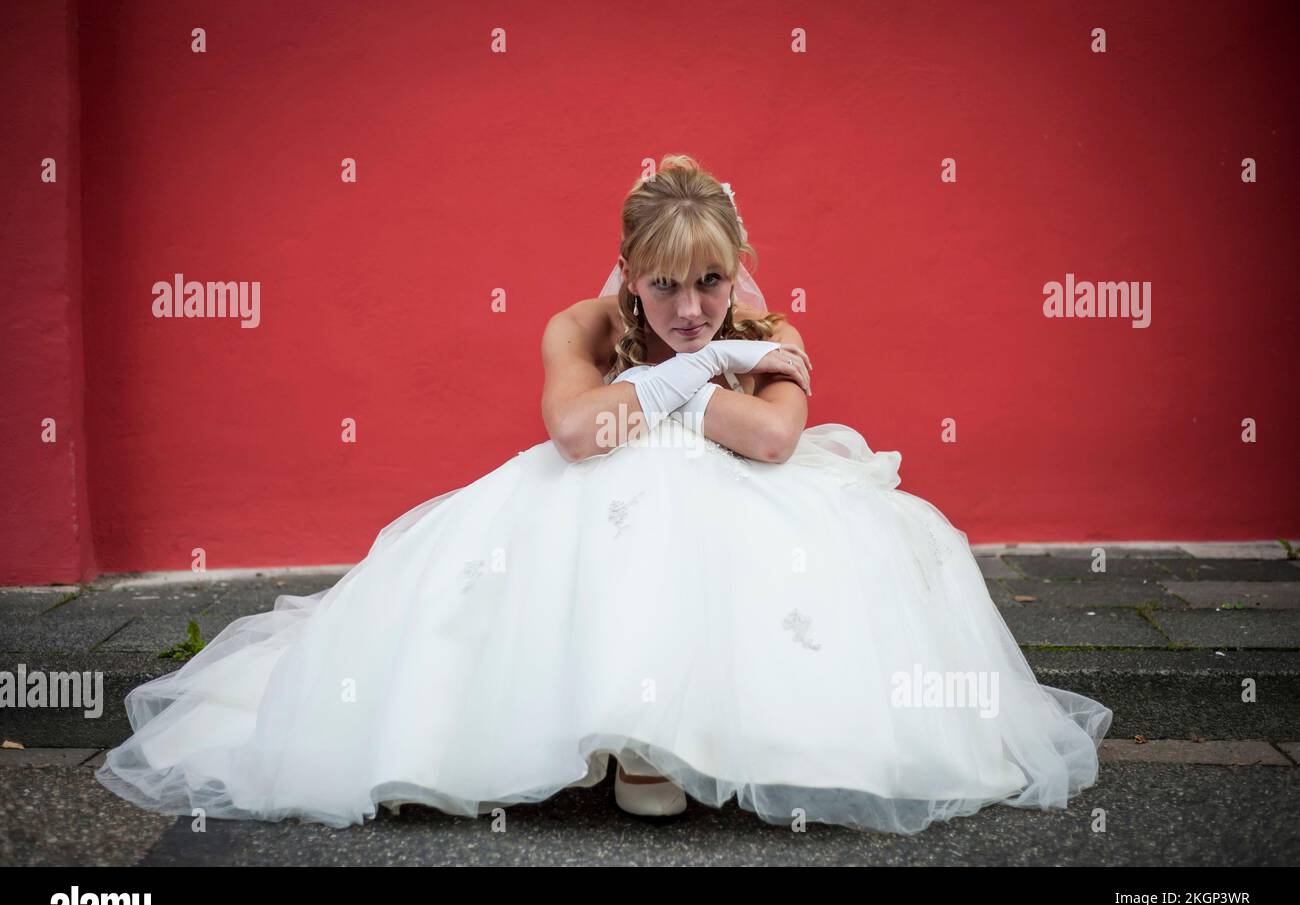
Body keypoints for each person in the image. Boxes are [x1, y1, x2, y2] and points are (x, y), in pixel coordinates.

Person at [94, 154, 1112, 835]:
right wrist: (679, 382)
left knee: (693, 488)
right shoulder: (576, 324)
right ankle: (580, 726)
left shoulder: (770, 324)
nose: (691, 307)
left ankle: (667, 736)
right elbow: (578, 432)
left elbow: (769, 438)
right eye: (663, 284)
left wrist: (707, 378)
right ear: (628, 276)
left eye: (710, 280)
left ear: (735, 267)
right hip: (595, 483)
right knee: (614, 480)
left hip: (743, 507)